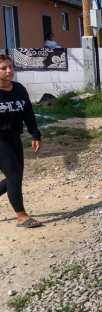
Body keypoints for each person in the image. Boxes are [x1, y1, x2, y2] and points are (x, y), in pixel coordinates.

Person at [0, 54, 43, 228]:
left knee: (15, 177)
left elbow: (28, 113)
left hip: (14, 138)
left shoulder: (18, 88)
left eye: (11, 66)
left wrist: (35, 134)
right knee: (14, 176)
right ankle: (21, 216)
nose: (9, 71)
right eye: (3, 68)